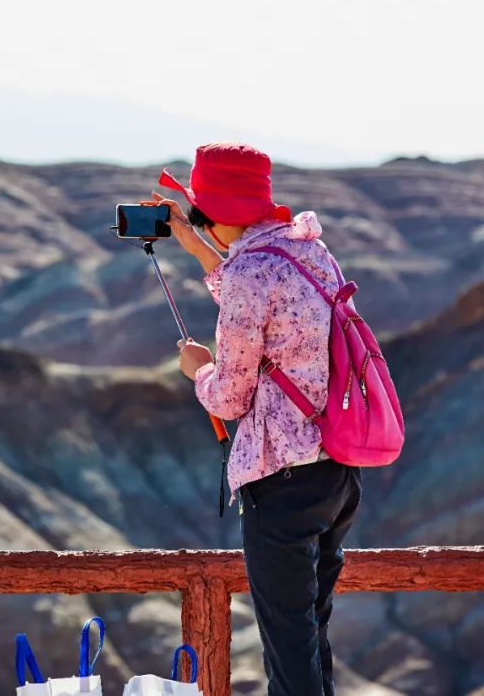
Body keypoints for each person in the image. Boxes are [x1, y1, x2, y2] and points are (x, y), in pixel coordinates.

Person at [146, 143, 362, 696]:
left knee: (288, 655)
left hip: (282, 479)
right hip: (336, 469)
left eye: (197, 210)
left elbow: (232, 397)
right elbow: (267, 302)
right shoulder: (308, 250)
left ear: (214, 209)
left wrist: (199, 372)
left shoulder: (249, 273)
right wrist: (197, 247)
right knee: (311, 637)